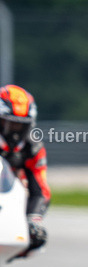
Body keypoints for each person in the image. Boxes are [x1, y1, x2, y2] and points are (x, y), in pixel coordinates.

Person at [0, 84, 49, 257]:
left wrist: (33, 220)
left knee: (37, 238)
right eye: (8, 124)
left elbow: (40, 189)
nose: (13, 131)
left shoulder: (32, 147)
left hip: (7, 198)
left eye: (19, 126)